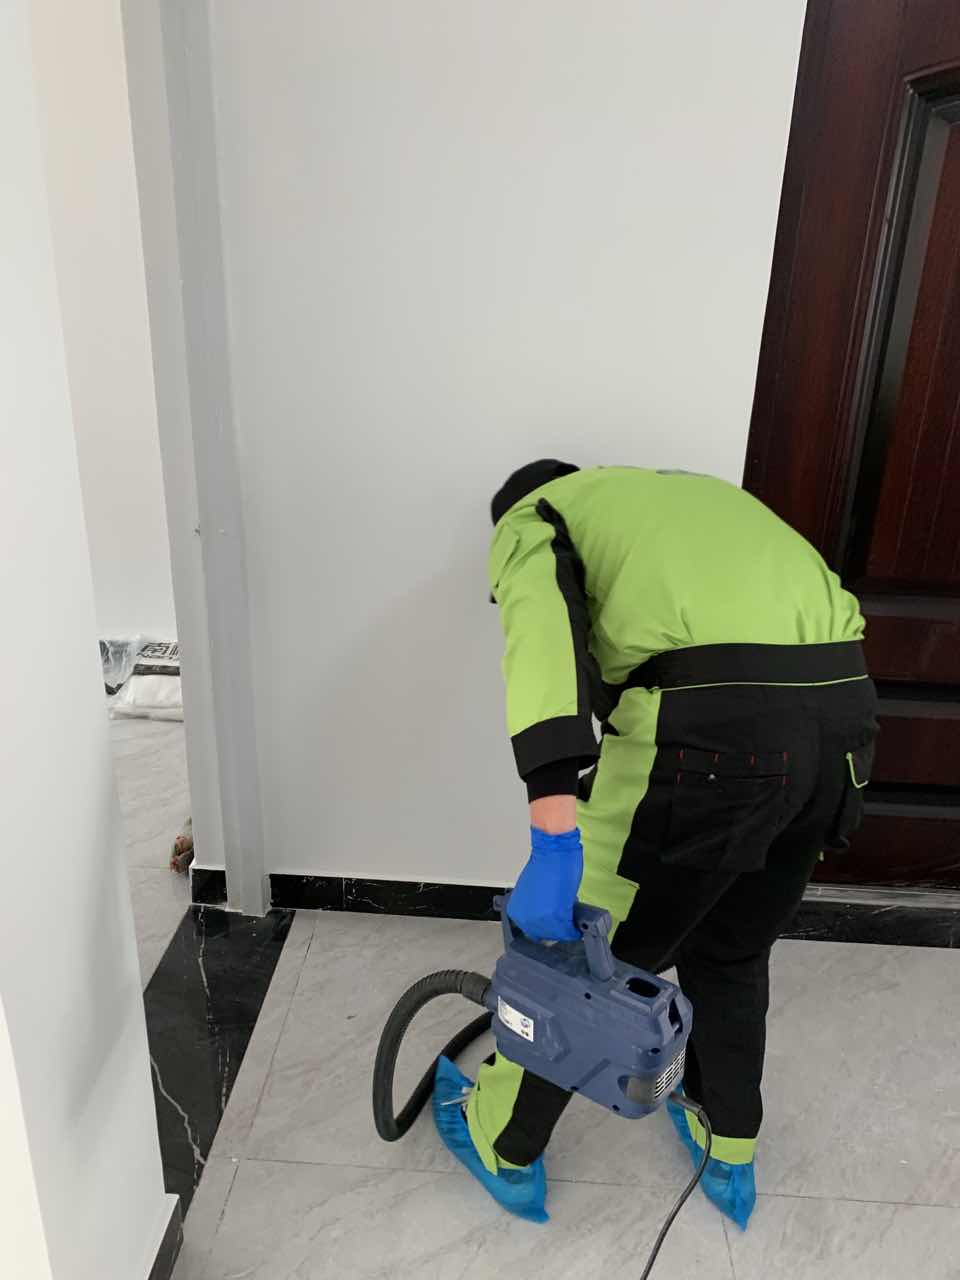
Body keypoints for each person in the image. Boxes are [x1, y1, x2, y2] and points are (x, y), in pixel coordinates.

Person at [433, 460, 878, 1228]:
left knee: (578, 966)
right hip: (843, 730)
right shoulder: (691, 501)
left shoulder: (536, 516)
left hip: (713, 741)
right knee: (732, 951)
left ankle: (503, 1144)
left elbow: (543, 642)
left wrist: (553, 843)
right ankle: (727, 1142)